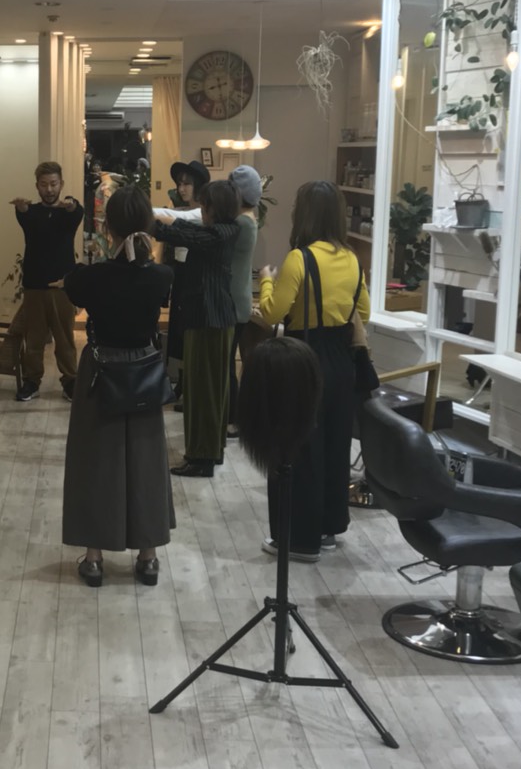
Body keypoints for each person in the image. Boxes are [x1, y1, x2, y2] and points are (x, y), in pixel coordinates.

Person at [62, 186, 173, 586]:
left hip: (100, 371)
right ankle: (148, 556)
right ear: (148, 225)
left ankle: (94, 558)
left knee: (96, 460)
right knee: (146, 462)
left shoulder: (89, 278)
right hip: (144, 371)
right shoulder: (161, 276)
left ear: (106, 226)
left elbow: (72, 283)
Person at [258, 180, 369, 562]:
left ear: (304, 214)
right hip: (342, 361)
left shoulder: (299, 259)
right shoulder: (351, 258)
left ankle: (298, 540)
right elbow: (364, 312)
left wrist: (267, 280)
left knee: (297, 447)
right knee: (335, 446)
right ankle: (326, 529)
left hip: (304, 359)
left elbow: (273, 313)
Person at [154, 179, 241, 478]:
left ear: (216, 208)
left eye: (205, 205)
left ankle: (202, 457)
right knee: (211, 389)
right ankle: (210, 451)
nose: (202, 210)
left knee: (203, 390)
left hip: (209, 319)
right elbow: (187, 231)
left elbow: (186, 234)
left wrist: (155, 225)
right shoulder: (222, 230)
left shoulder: (221, 233)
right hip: (213, 319)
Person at [9, 161, 83, 402]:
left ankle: (70, 380)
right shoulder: (30, 212)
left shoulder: (69, 211)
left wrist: (70, 205)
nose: (49, 189)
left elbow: (76, 211)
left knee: (65, 339)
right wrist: (21, 209)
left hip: (62, 287)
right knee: (34, 339)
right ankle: (32, 381)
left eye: (53, 184)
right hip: (34, 286)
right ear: (37, 186)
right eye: (44, 184)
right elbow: (27, 220)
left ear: (61, 184)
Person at [153, 160, 209, 404]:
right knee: (178, 328)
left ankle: (189, 387)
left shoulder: (202, 213)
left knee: (189, 329)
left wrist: (143, 210)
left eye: (187, 184)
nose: (181, 188)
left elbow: (175, 218)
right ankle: (182, 384)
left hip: (194, 277)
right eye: (180, 184)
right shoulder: (188, 210)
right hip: (180, 273)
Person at [225, 164, 261, 433]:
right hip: (240, 300)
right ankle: (232, 416)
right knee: (228, 360)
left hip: (233, 301)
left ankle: (231, 418)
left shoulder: (240, 223)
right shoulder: (248, 218)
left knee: (226, 363)